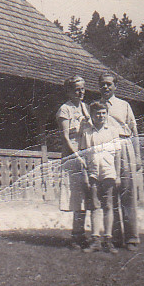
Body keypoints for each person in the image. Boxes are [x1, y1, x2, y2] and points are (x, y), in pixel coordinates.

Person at [99, 71, 142, 250]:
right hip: (106, 150)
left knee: (127, 193)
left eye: (109, 84)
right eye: (103, 84)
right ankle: (115, 238)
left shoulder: (124, 105)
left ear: (115, 86)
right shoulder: (95, 106)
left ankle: (132, 238)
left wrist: (138, 156)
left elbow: (134, 130)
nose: (106, 87)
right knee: (110, 195)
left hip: (124, 148)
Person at [80, 101, 121, 254]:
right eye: (97, 113)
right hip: (93, 172)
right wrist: (85, 175)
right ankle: (96, 239)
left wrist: (116, 175)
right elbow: (83, 156)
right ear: (92, 115)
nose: (101, 116)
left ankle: (108, 240)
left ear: (107, 114)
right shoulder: (87, 132)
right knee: (95, 206)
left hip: (109, 172)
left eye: (103, 113)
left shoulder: (112, 131)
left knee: (108, 205)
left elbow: (117, 155)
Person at [56, 75, 90, 249]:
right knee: (76, 195)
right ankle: (76, 236)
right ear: (69, 91)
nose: (81, 92)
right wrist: (77, 155)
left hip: (87, 153)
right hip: (73, 155)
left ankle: (82, 233)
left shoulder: (85, 108)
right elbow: (65, 137)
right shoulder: (65, 110)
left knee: (86, 195)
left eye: (83, 88)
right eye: (77, 89)